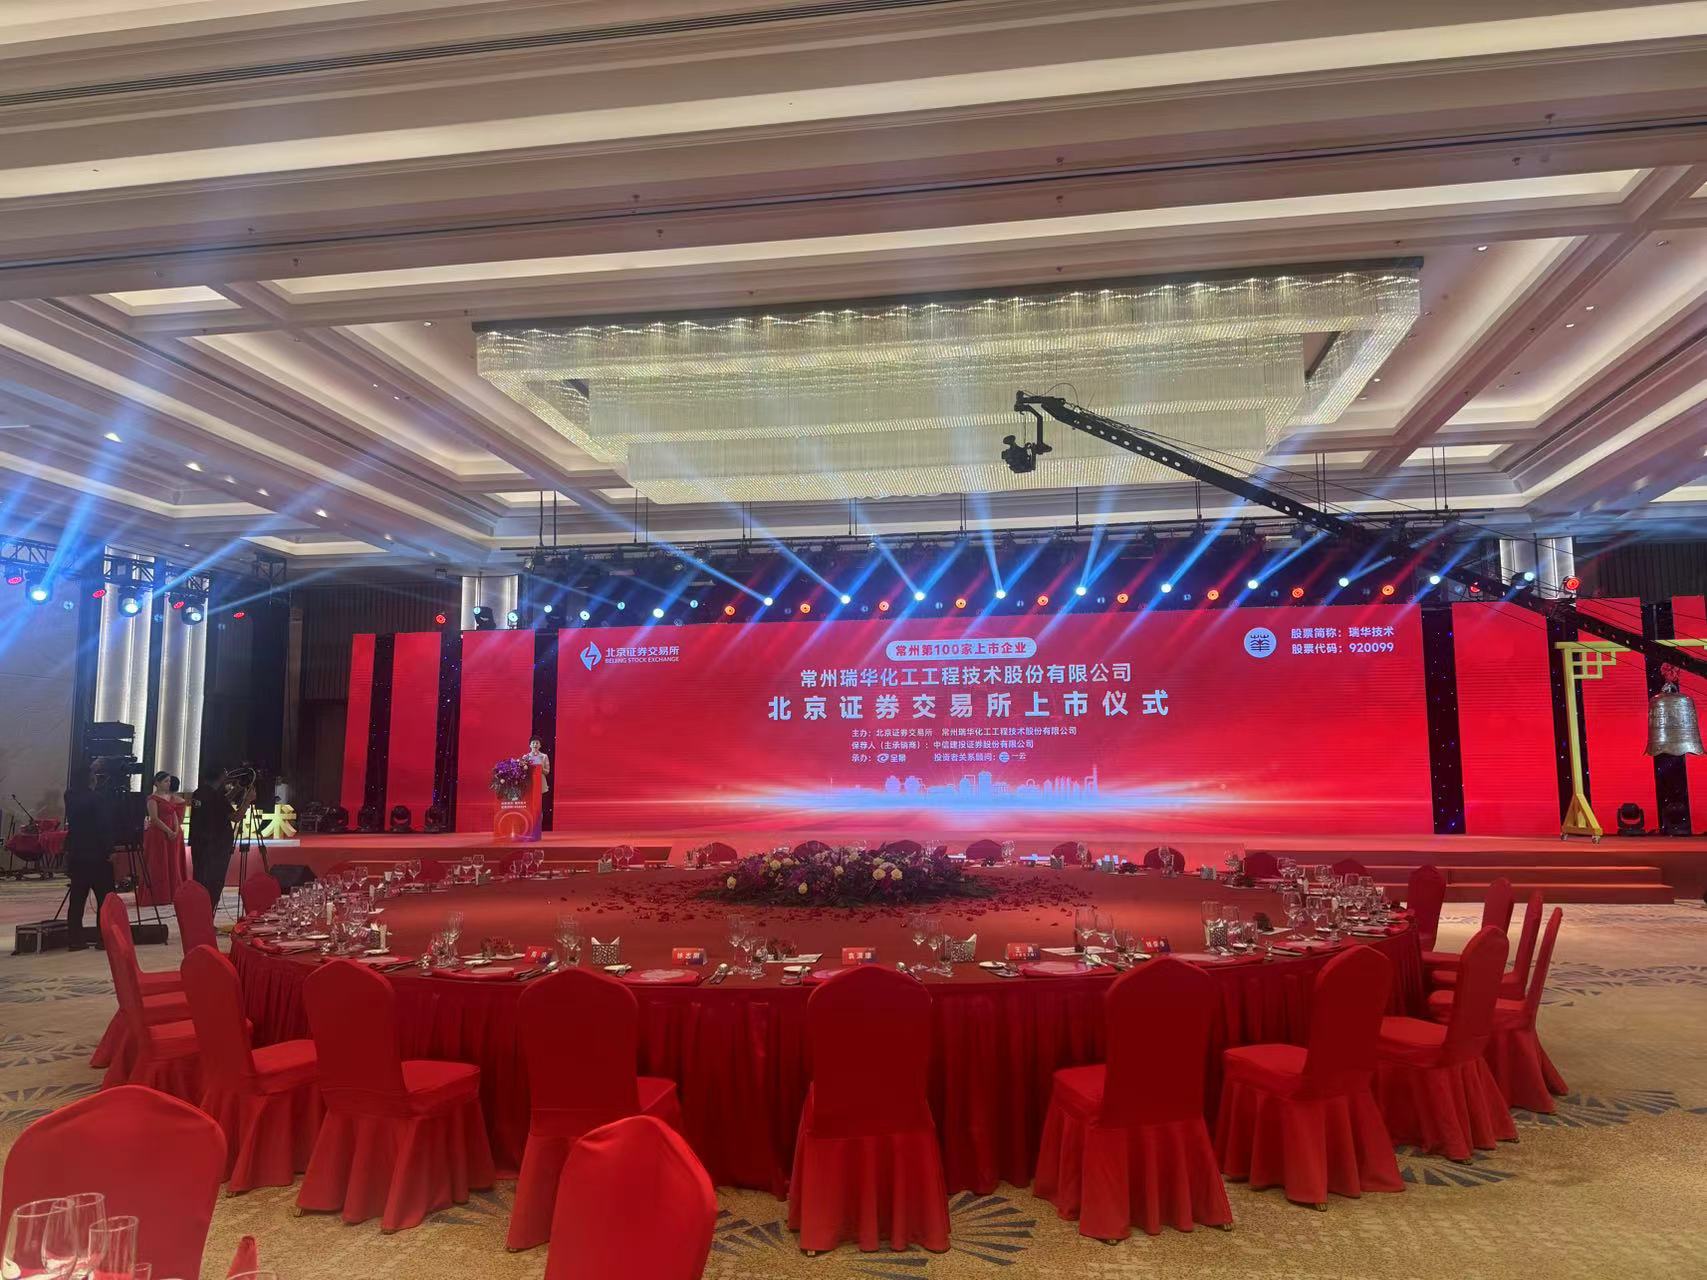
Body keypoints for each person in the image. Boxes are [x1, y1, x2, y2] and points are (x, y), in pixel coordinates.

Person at [62, 768, 115, 951]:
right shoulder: (97, 798)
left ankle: (75, 940)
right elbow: (103, 826)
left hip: (77, 853)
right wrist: (110, 849)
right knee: (104, 899)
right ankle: (103, 938)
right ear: (90, 779)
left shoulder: (69, 796)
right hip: (97, 855)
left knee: (77, 899)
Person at [190, 768, 247, 910]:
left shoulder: (200, 792)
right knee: (214, 882)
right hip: (216, 845)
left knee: (201, 880)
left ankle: (200, 913)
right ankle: (207, 913)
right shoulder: (215, 796)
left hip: (200, 844)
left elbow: (220, 804)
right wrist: (248, 800)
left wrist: (237, 789)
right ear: (221, 777)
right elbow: (236, 817)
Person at [137, 771, 188, 907]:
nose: (168, 784)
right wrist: (168, 831)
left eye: (169, 781)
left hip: (171, 834)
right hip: (158, 835)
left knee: (171, 863)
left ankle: (172, 893)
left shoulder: (170, 797)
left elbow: (175, 815)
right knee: (158, 863)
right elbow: (154, 819)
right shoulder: (152, 799)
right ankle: (158, 895)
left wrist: (175, 830)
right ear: (157, 783)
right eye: (166, 781)